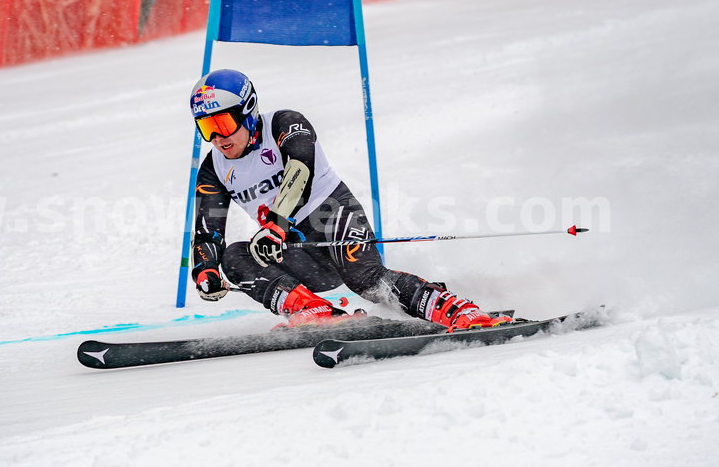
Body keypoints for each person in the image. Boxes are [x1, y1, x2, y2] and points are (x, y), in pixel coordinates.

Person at [188, 68, 512, 330]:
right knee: (234, 256)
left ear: (247, 112)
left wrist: (275, 225)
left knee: (367, 282)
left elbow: (300, 172)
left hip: (331, 216)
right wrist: (206, 271)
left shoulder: (286, 123)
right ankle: (314, 312)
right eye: (206, 127)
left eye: (222, 123)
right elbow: (207, 232)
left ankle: (457, 310)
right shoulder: (213, 168)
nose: (217, 138)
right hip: (296, 251)